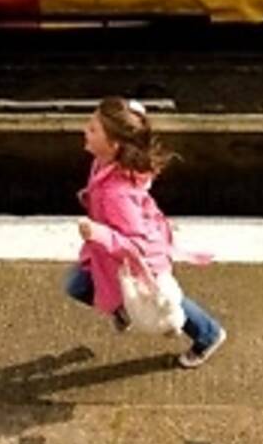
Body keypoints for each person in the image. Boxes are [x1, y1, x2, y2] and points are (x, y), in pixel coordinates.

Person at [67, 97, 228, 369]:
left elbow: (136, 243)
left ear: (113, 144)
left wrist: (99, 233)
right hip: (114, 255)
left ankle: (208, 335)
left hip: (136, 257)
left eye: (93, 129)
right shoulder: (105, 163)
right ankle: (122, 308)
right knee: (82, 285)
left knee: (164, 300)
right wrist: (90, 198)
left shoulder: (116, 193)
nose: (85, 130)